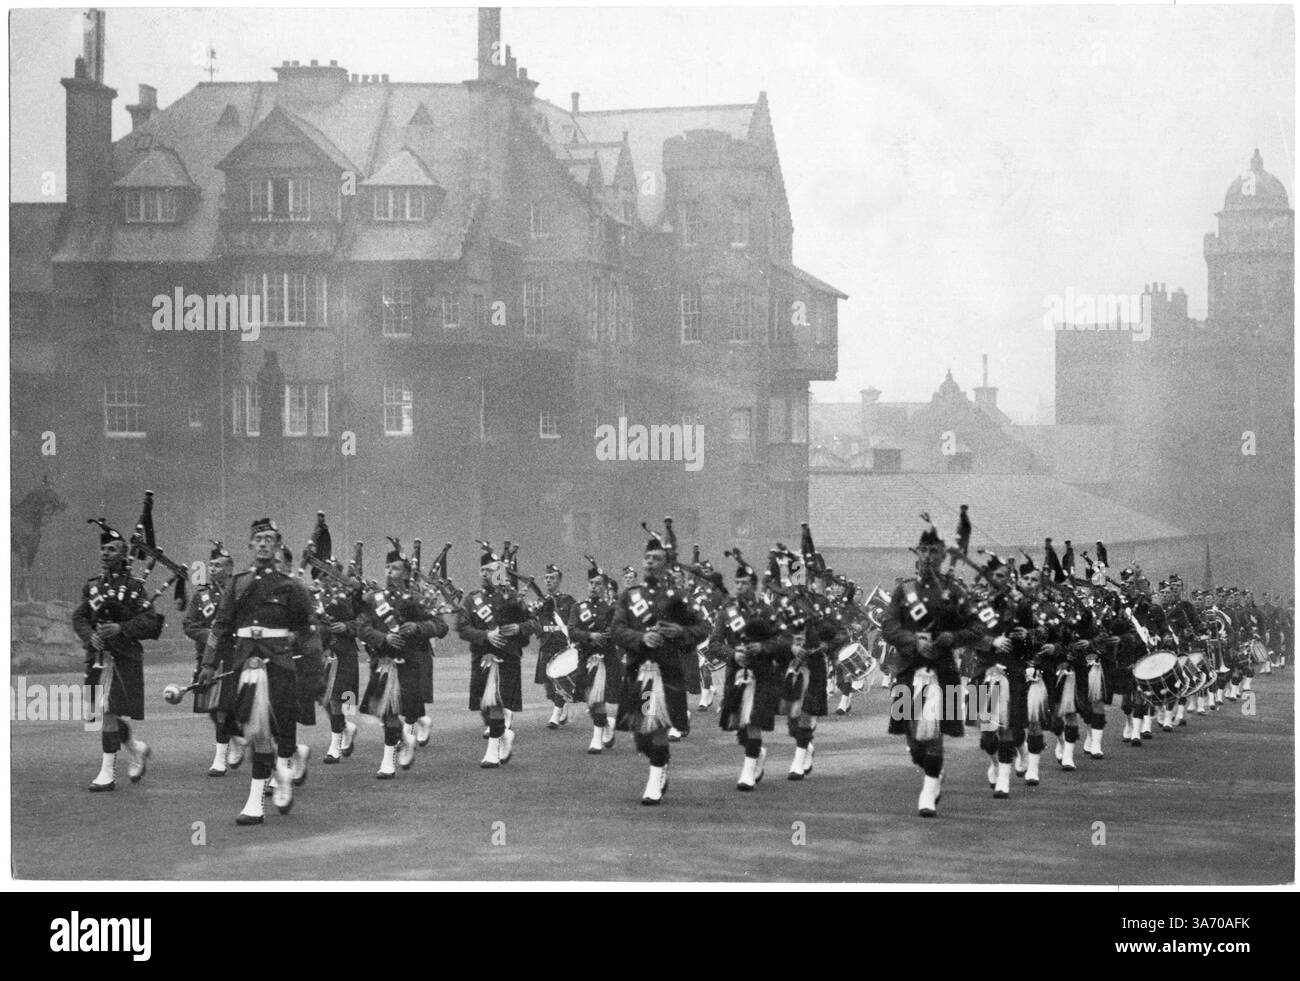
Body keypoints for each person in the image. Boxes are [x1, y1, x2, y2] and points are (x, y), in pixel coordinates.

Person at [197, 518, 316, 825]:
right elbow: (220, 626)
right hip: (245, 665)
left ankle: (273, 782)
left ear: (277, 546)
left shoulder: (291, 587)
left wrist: (303, 655)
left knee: (277, 729)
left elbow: (307, 629)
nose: (263, 543)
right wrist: (209, 663)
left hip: (278, 665)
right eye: (258, 539)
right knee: (253, 731)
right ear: (250, 545)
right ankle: (267, 789)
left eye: (269, 539)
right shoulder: (237, 584)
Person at [880, 516, 981, 817]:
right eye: (922, 551)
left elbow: (977, 628)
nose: (927, 557)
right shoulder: (904, 590)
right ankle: (933, 772)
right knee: (913, 741)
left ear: (941, 555)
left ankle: (929, 789)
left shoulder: (955, 592)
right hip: (908, 670)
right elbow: (888, 626)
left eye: (933, 552)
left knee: (934, 731)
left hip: (943, 672)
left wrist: (952, 637)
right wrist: (911, 640)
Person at [610, 534, 709, 804]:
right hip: (640, 672)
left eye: (657, 559)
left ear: (666, 566)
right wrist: (641, 638)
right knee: (643, 733)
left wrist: (680, 631)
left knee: (659, 727)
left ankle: (654, 783)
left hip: (666, 672)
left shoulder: (677, 597)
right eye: (648, 558)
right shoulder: (630, 597)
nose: (651, 563)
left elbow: (703, 629)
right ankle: (660, 763)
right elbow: (617, 630)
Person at [73, 522, 165, 792]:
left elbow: (150, 621)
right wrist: (89, 634)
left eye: (111, 549)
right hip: (98, 658)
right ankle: (136, 748)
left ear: (124, 555)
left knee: (107, 710)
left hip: (123, 658)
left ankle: (107, 772)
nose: (105, 553)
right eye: (103, 549)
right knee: (103, 713)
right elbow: (79, 617)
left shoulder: (135, 588)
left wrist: (121, 628)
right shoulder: (92, 587)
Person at [356, 539, 449, 778]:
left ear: (406, 572)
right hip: (384, 664)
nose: (389, 572)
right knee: (388, 717)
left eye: (395, 568)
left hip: (410, 665)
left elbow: (441, 626)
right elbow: (361, 628)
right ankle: (388, 761)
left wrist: (418, 628)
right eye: (388, 568)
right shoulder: (372, 599)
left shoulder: (417, 599)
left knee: (407, 714)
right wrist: (383, 638)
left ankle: (406, 738)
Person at [715, 553, 794, 790]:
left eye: (744, 584)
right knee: (740, 727)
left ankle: (747, 773)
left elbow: (785, 641)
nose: (739, 587)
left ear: (753, 586)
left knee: (753, 723)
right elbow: (714, 643)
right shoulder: (726, 611)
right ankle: (758, 752)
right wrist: (732, 655)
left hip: (762, 676)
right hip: (736, 675)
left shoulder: (768, 611)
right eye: (737, 583)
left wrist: (763, 647)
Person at [457, 545, 535, 768]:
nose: (484, 574)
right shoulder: (472, 600)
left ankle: (492, 752)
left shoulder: (512, 598)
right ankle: (503, 736)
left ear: (499, 571)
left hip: (506, 659)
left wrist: (519, 628)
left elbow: (533, 624)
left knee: (497, 705)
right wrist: (485, 635)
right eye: (482, 570)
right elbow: (462, 628)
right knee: (484, 707)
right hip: (481, 658)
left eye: (490, 570)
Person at [182, 542, 244, 776]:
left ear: (230, 568)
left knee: (224, 708)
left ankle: (220, 758)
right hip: (207, 658)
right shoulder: (202, 595)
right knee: (210, 707)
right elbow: (188, 625)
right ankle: (235, 739)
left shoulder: (240, 592)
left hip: (233, 657)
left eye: (219, 565)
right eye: (211, 565)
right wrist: (208, 635)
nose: (213, 569)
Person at [568, 560, 621, 754]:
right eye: (591, 583)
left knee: (598, 699)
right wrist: (590, 636)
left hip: (606, 659)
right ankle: (607, 723)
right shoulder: (577, 607)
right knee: (590, 699)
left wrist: (605, 636)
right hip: (586, 657)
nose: (593, 587)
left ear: (604, 587)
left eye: (598, 584)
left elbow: (617, 631)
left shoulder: (611, 609)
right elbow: (572, 630)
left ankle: (596, 738)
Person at [534, 564, 577, 729]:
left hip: (562, 645)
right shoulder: (540, 601)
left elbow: (572, 623)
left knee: (559, 680)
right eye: (546, 578)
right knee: (548, 686)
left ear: (559, 580)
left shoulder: (568, 600)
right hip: (546, 644)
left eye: (552, 578)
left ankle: (555, 714)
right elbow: (535, 624)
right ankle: (562, 704)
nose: (548, 581)